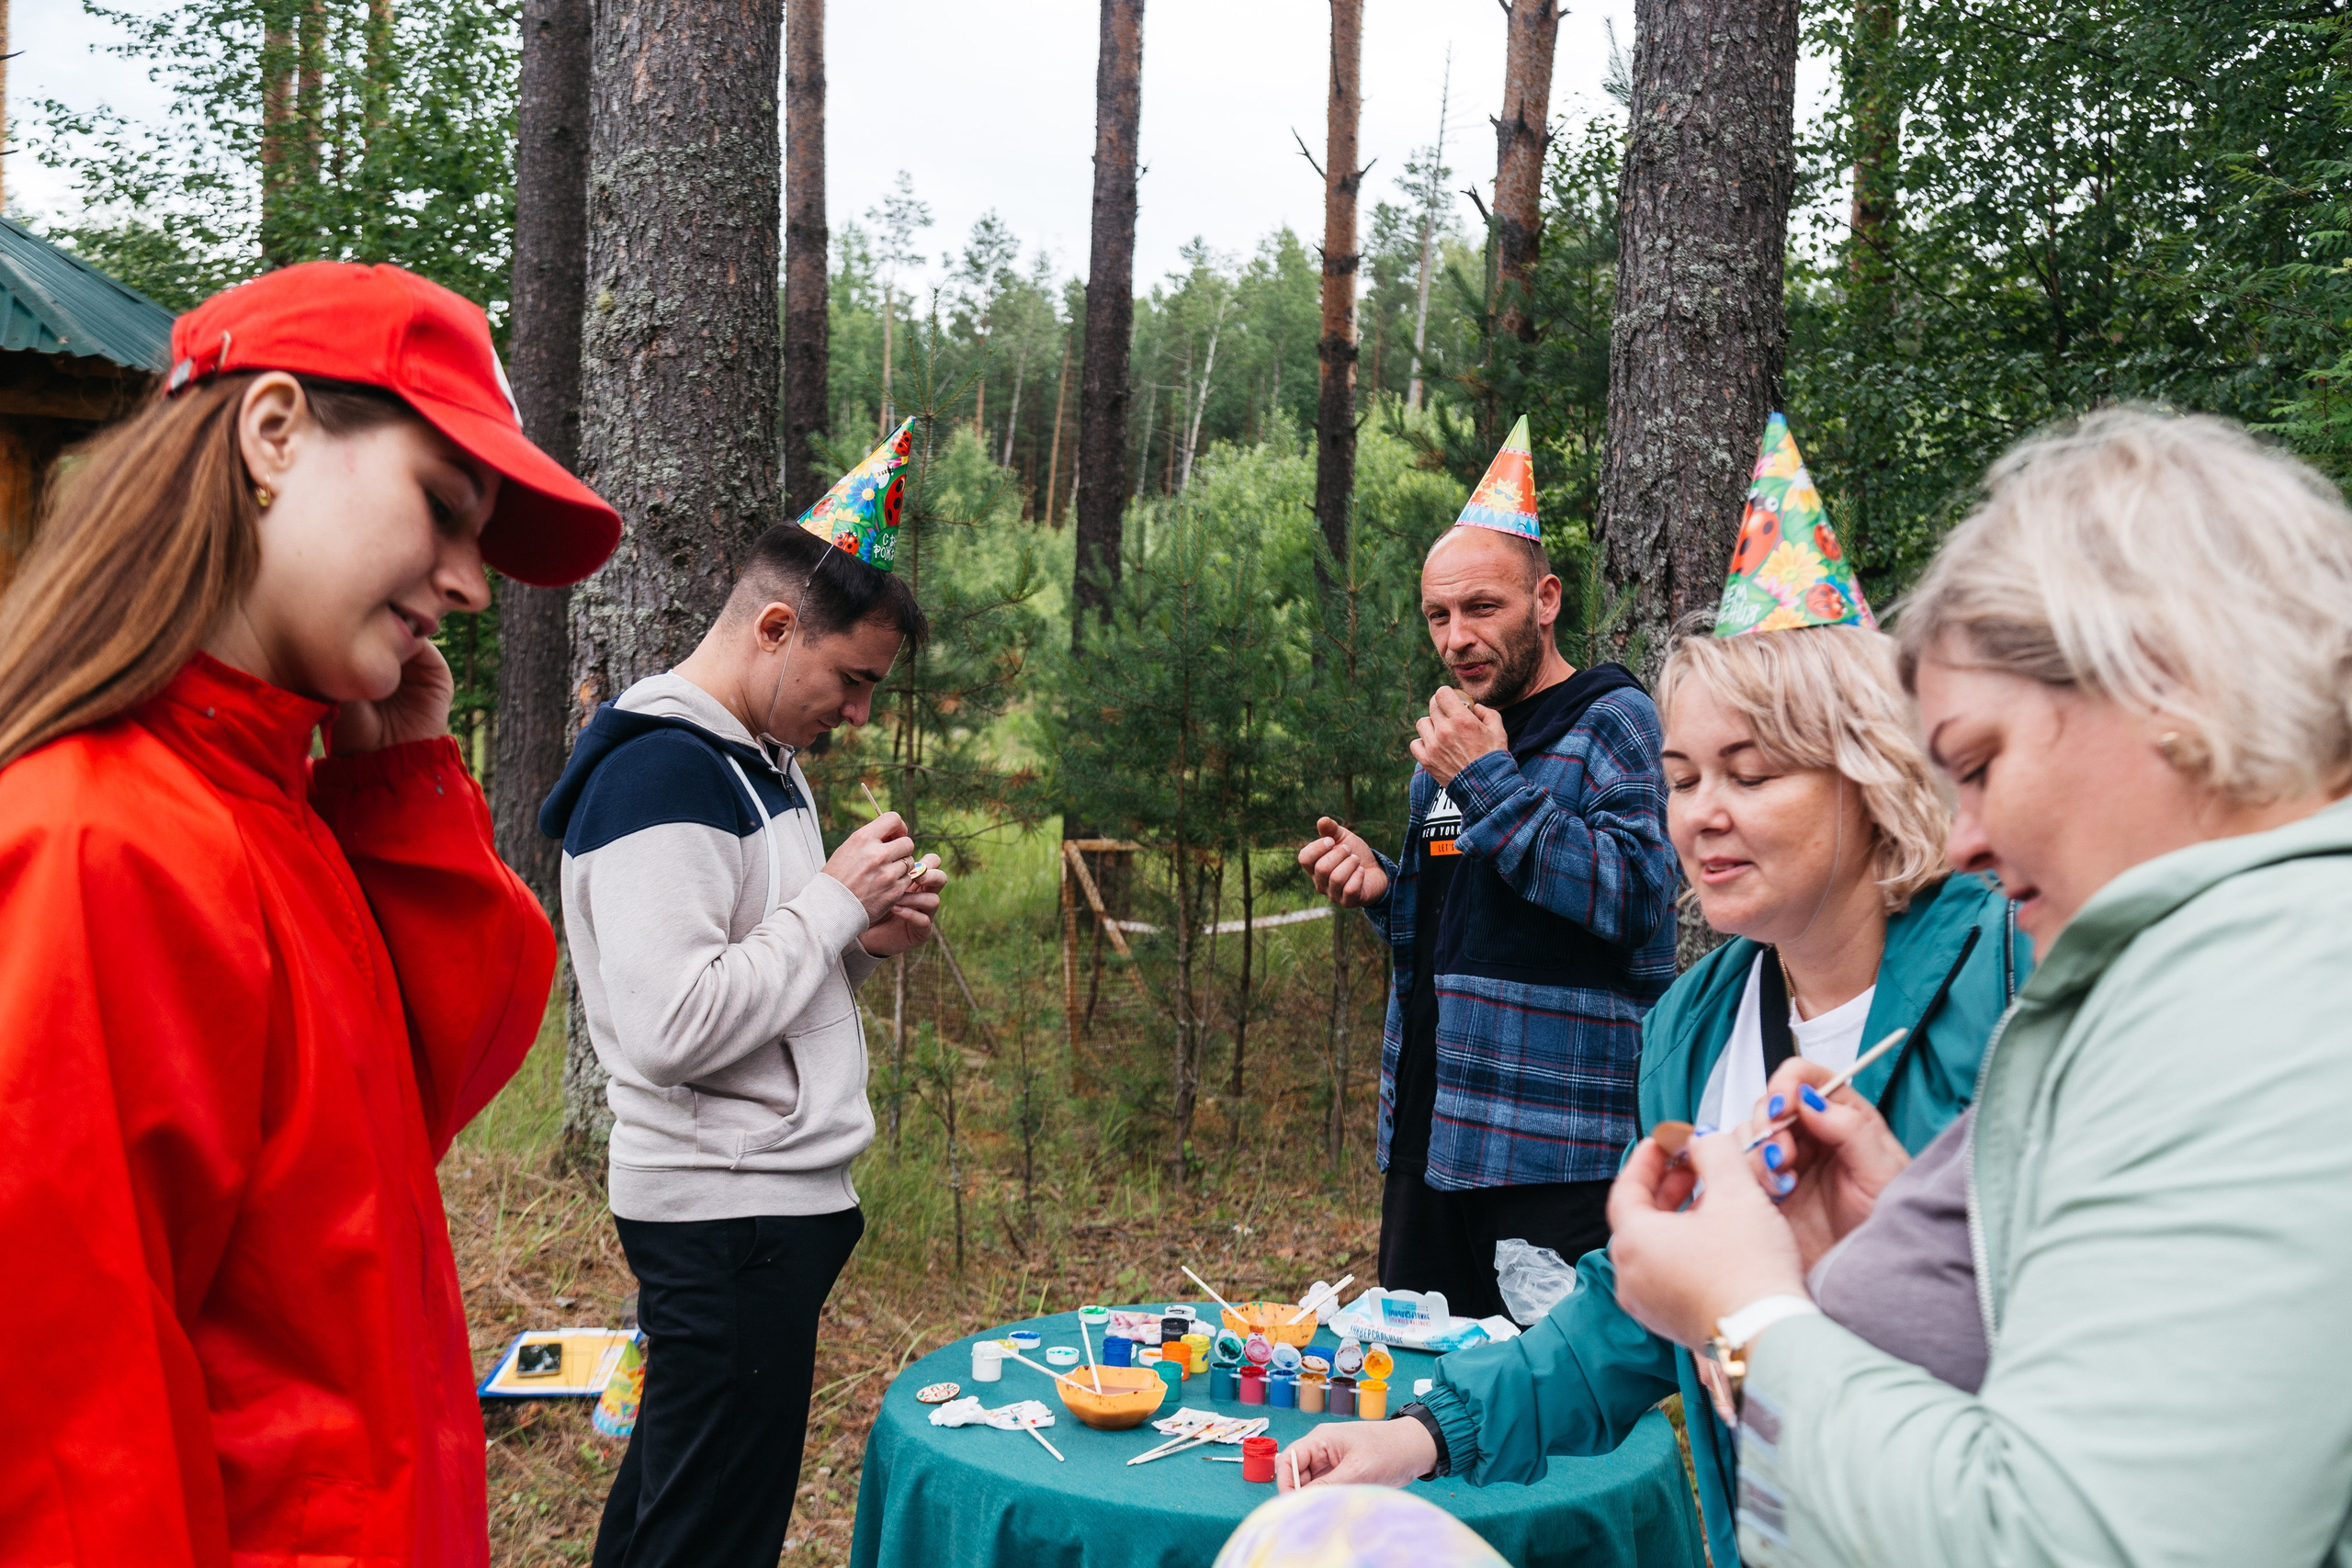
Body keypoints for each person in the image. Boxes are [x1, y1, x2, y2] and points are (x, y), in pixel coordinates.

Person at [1608, 407, 2352, 1568]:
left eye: (1982, 763)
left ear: (2165, 686)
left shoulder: (2261, 994)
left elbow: (2078, 1541)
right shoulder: (2193, 978)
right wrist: (1930, 1246)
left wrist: (1754, 1323)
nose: (1958, 842)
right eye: (1682, 777)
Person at [1281, 415, 2024, 1568]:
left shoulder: (2008, 977)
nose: (1700, 815)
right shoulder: (1698, 1027)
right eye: (1683, 778)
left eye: (1750, 771)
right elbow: (1640, 1312)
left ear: (1870, 770)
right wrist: (1427, 1432)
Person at [0, 262, 618, 1562]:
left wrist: (395, 787)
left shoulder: (269, 811)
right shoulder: (95, 842)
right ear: (272, 430)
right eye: (446, 509)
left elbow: (417, 1096)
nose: (467, 580)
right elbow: (67, 1445)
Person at [539, 424, 943, 1568]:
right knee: (712, 1527)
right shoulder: (660, 771)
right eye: (851, 680)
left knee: (684, 1504)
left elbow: (756, 978)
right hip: (724, 1216)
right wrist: (827, 906)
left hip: (764, 1211)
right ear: (776, 628)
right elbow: (672, 1030)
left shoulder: (757, 765)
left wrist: (857, 936)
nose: (857, 713)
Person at [1297, 416, 1679, 1319]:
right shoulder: (1456, 745)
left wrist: (1489, 782)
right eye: (1439, 615)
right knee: (1429, 1404)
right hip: (1433, 1137)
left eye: (1483, 608)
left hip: (1552, 1153)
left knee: (1551, 1418)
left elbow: (1635, 900)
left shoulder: (1611, 721)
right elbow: (1465, 925)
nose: (1457, 636)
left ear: (1545, 600)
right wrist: (1386, 891)